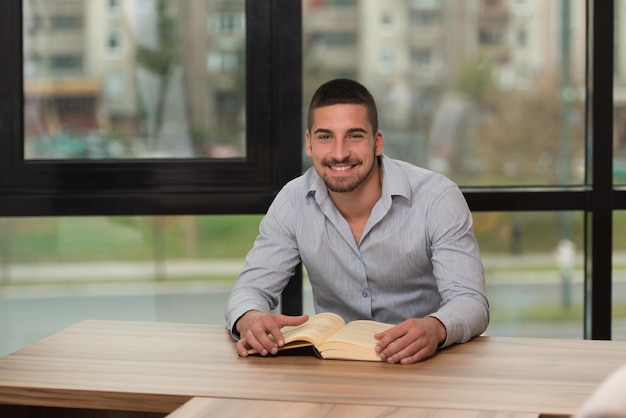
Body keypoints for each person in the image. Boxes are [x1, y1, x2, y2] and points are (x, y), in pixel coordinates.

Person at [225, 78, 489, 364]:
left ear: (377, 142)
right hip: (336, 368)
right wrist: (249, 318)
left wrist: (437, 328)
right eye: (325, 137)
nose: (340, 153)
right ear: (309, 143)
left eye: (354, 136)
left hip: (424, 367)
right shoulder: (292, 201)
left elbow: (470, 301)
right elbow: (250, 290)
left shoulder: (436, 198)